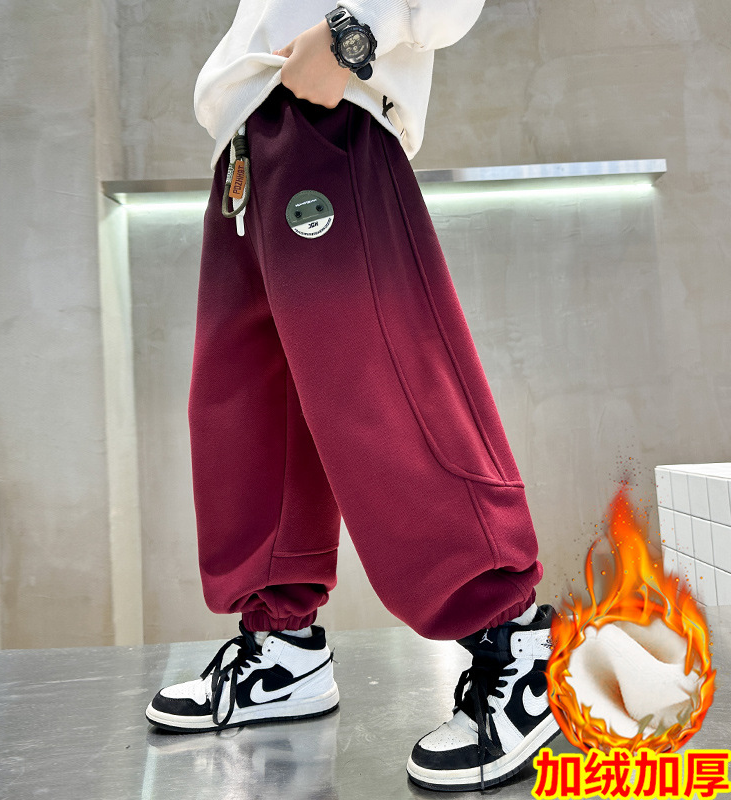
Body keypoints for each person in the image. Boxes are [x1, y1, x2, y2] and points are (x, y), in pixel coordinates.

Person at [145, 1, 561, 791]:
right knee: (248, 414)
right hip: (246, 140)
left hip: (330, 112)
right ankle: (284, 655)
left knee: (383, 392)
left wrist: (348, 34)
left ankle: (516, 646)